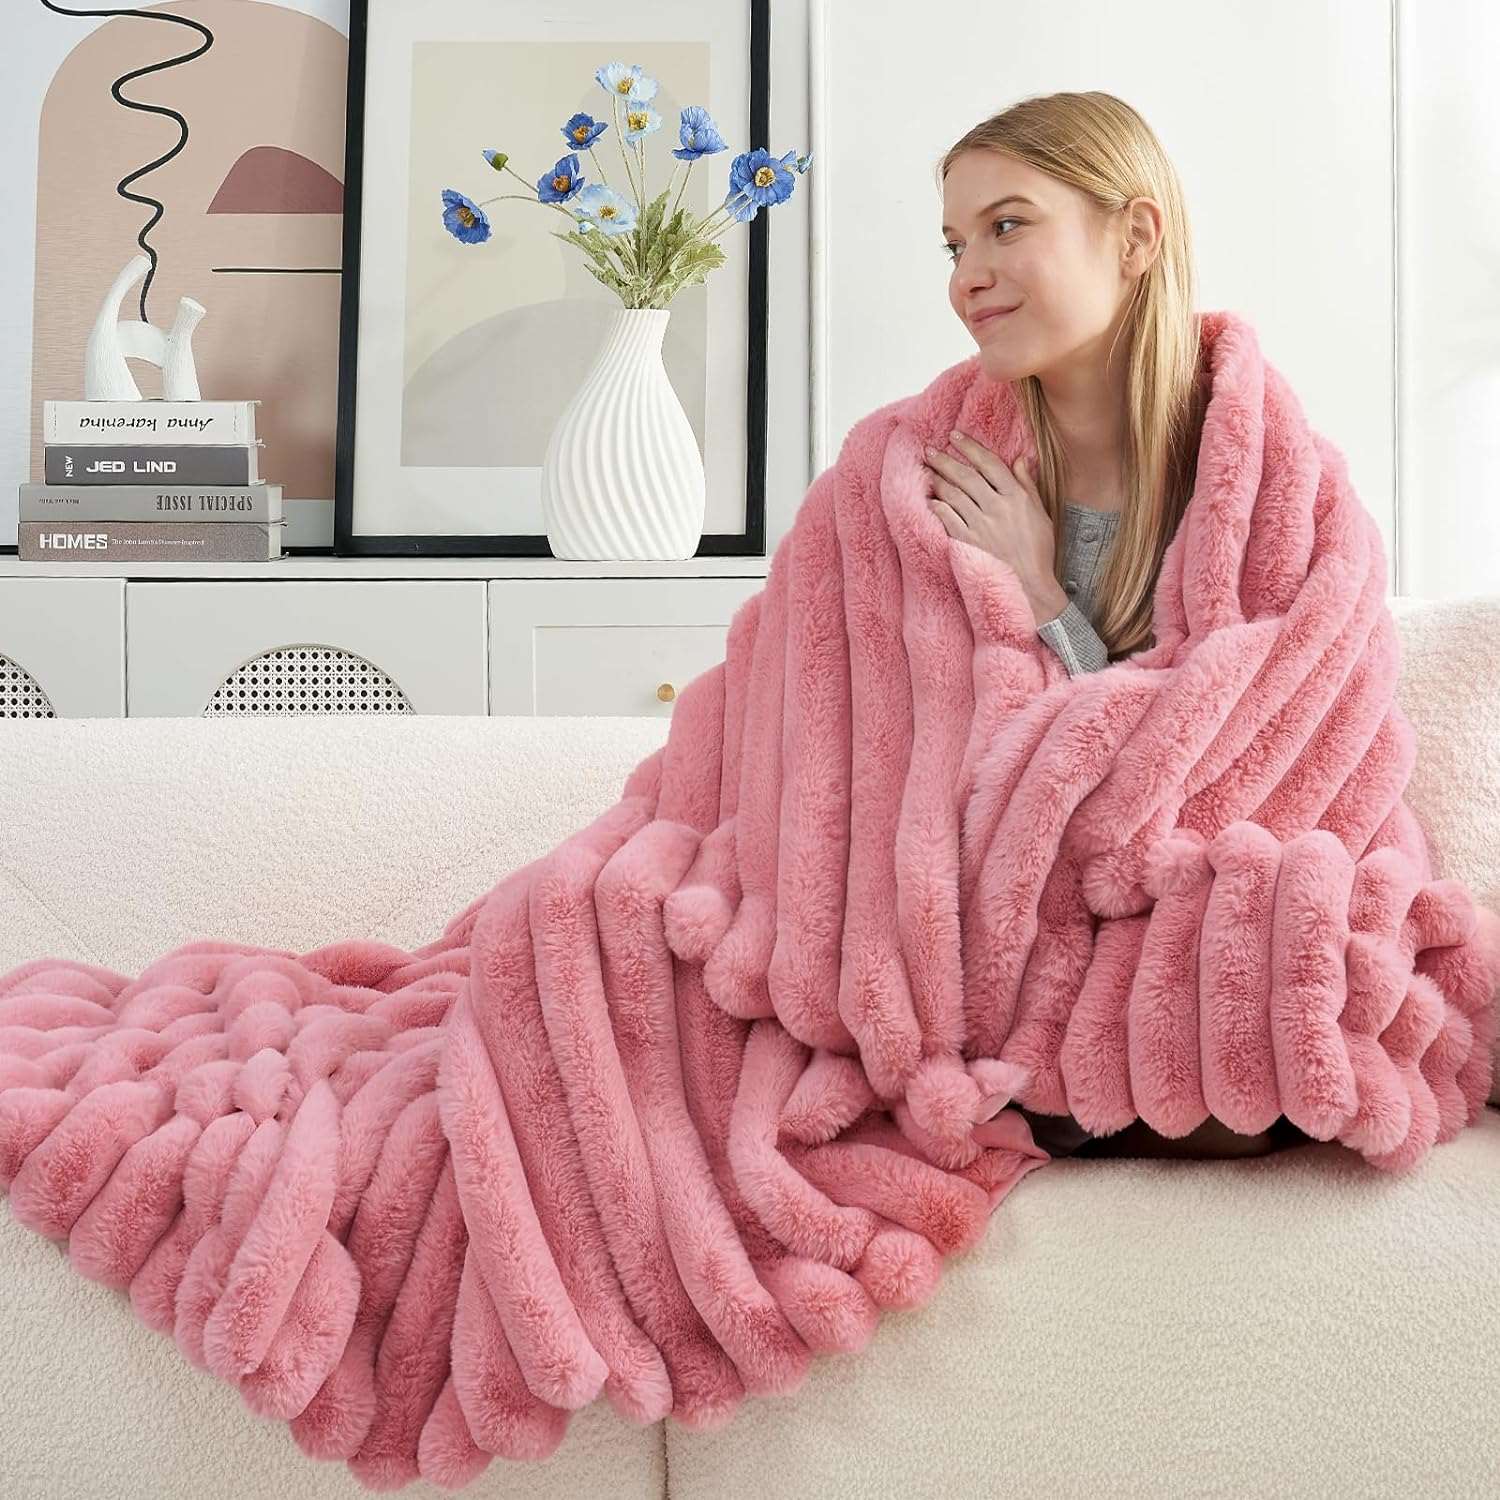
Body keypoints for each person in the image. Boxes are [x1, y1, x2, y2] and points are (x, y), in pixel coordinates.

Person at [924, 90, 1313, 1162]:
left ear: (1135, 235)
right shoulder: (951, 467)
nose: (968, 275)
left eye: (1007, 226)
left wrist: (1045, 598)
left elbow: (1251, 743)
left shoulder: (1254, 470)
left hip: (1167, 893)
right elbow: (930, 754)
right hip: (1008, 924)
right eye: (955, 244)